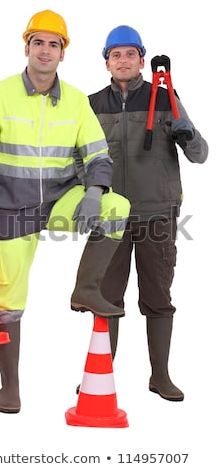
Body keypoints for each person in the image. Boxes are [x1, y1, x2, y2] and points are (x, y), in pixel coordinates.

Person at [0, 10, 130, 414]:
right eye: (39, 42)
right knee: (10, 299)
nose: (46, 50)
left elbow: (98, 154)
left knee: (116, 207)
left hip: (59, 200)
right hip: (10, 208)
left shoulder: (74, 100)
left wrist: (94, 191)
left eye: (54, 44)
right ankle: (10, 387)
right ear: (27, 47)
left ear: (62, 53)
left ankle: (86, 290)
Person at [78, 25, 208, 402]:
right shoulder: (91, 104)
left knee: (158, 296)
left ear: (141, 60)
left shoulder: (165, 98)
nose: (123, 60)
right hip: (109, 216)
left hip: (157, 215)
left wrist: (187, 135)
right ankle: (100, 375)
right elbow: (76, 157)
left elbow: (200, 154)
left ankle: (161, 377)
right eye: (115, 55)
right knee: (103, 296)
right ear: (106, 62)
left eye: (130, 54)